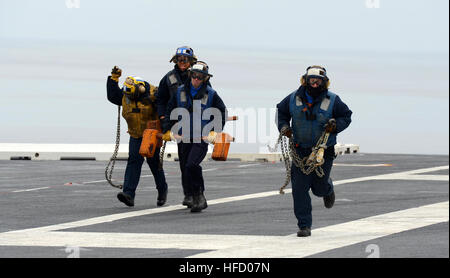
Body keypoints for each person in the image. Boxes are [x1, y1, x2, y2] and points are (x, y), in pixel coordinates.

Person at [276, 65, 352, 237]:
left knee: (318, 189)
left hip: (323, 152)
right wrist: (284, 127)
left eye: (318, 80)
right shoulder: (292, 98)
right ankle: (304, 226)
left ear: (325, 82)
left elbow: (346, 116)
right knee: (299, 189)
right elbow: (281, 112)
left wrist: (335, 126)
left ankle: (328, 189)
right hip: (300, 150)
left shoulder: (333, 100)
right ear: (305, 80)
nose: (315, 83)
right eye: (312, 80)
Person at [161, 61, 227, 213]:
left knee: (192, 165)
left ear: (205, 79)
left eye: (200, 77)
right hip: (183, 136)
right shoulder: (179, 92)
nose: (196, 79)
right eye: (194, 76)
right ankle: (191, 196)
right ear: (190, 75)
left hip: (201, 138)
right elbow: (170, 110)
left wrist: (215, 131)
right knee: (185, 167)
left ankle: (199, 195)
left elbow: (222, 113)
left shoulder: (211, 94)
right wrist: (167, 130)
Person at [107, 66, 168, 207]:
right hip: (135, 134)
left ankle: (162, 189)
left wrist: (166, 129)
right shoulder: (125, 94)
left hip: (151, 134)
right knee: (134, 161)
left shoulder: (155, 94)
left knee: (153, 163)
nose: (128, 98)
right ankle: (128, 194)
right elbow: (112, 95)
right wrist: (113, 79)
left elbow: (164, 107)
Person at [156, 46, 199, 208]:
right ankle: (189, 194)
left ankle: (197, 192)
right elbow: (161, 99)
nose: (182, 62)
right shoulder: (168, 78)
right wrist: (163, 119)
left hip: (197, 125)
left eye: (185, 60)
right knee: (185, 162)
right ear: (175, 61)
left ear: (191, 61)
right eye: (179, 60)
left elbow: (210, 96)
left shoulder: (198, 76)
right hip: (179, 126)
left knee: (193, 162)